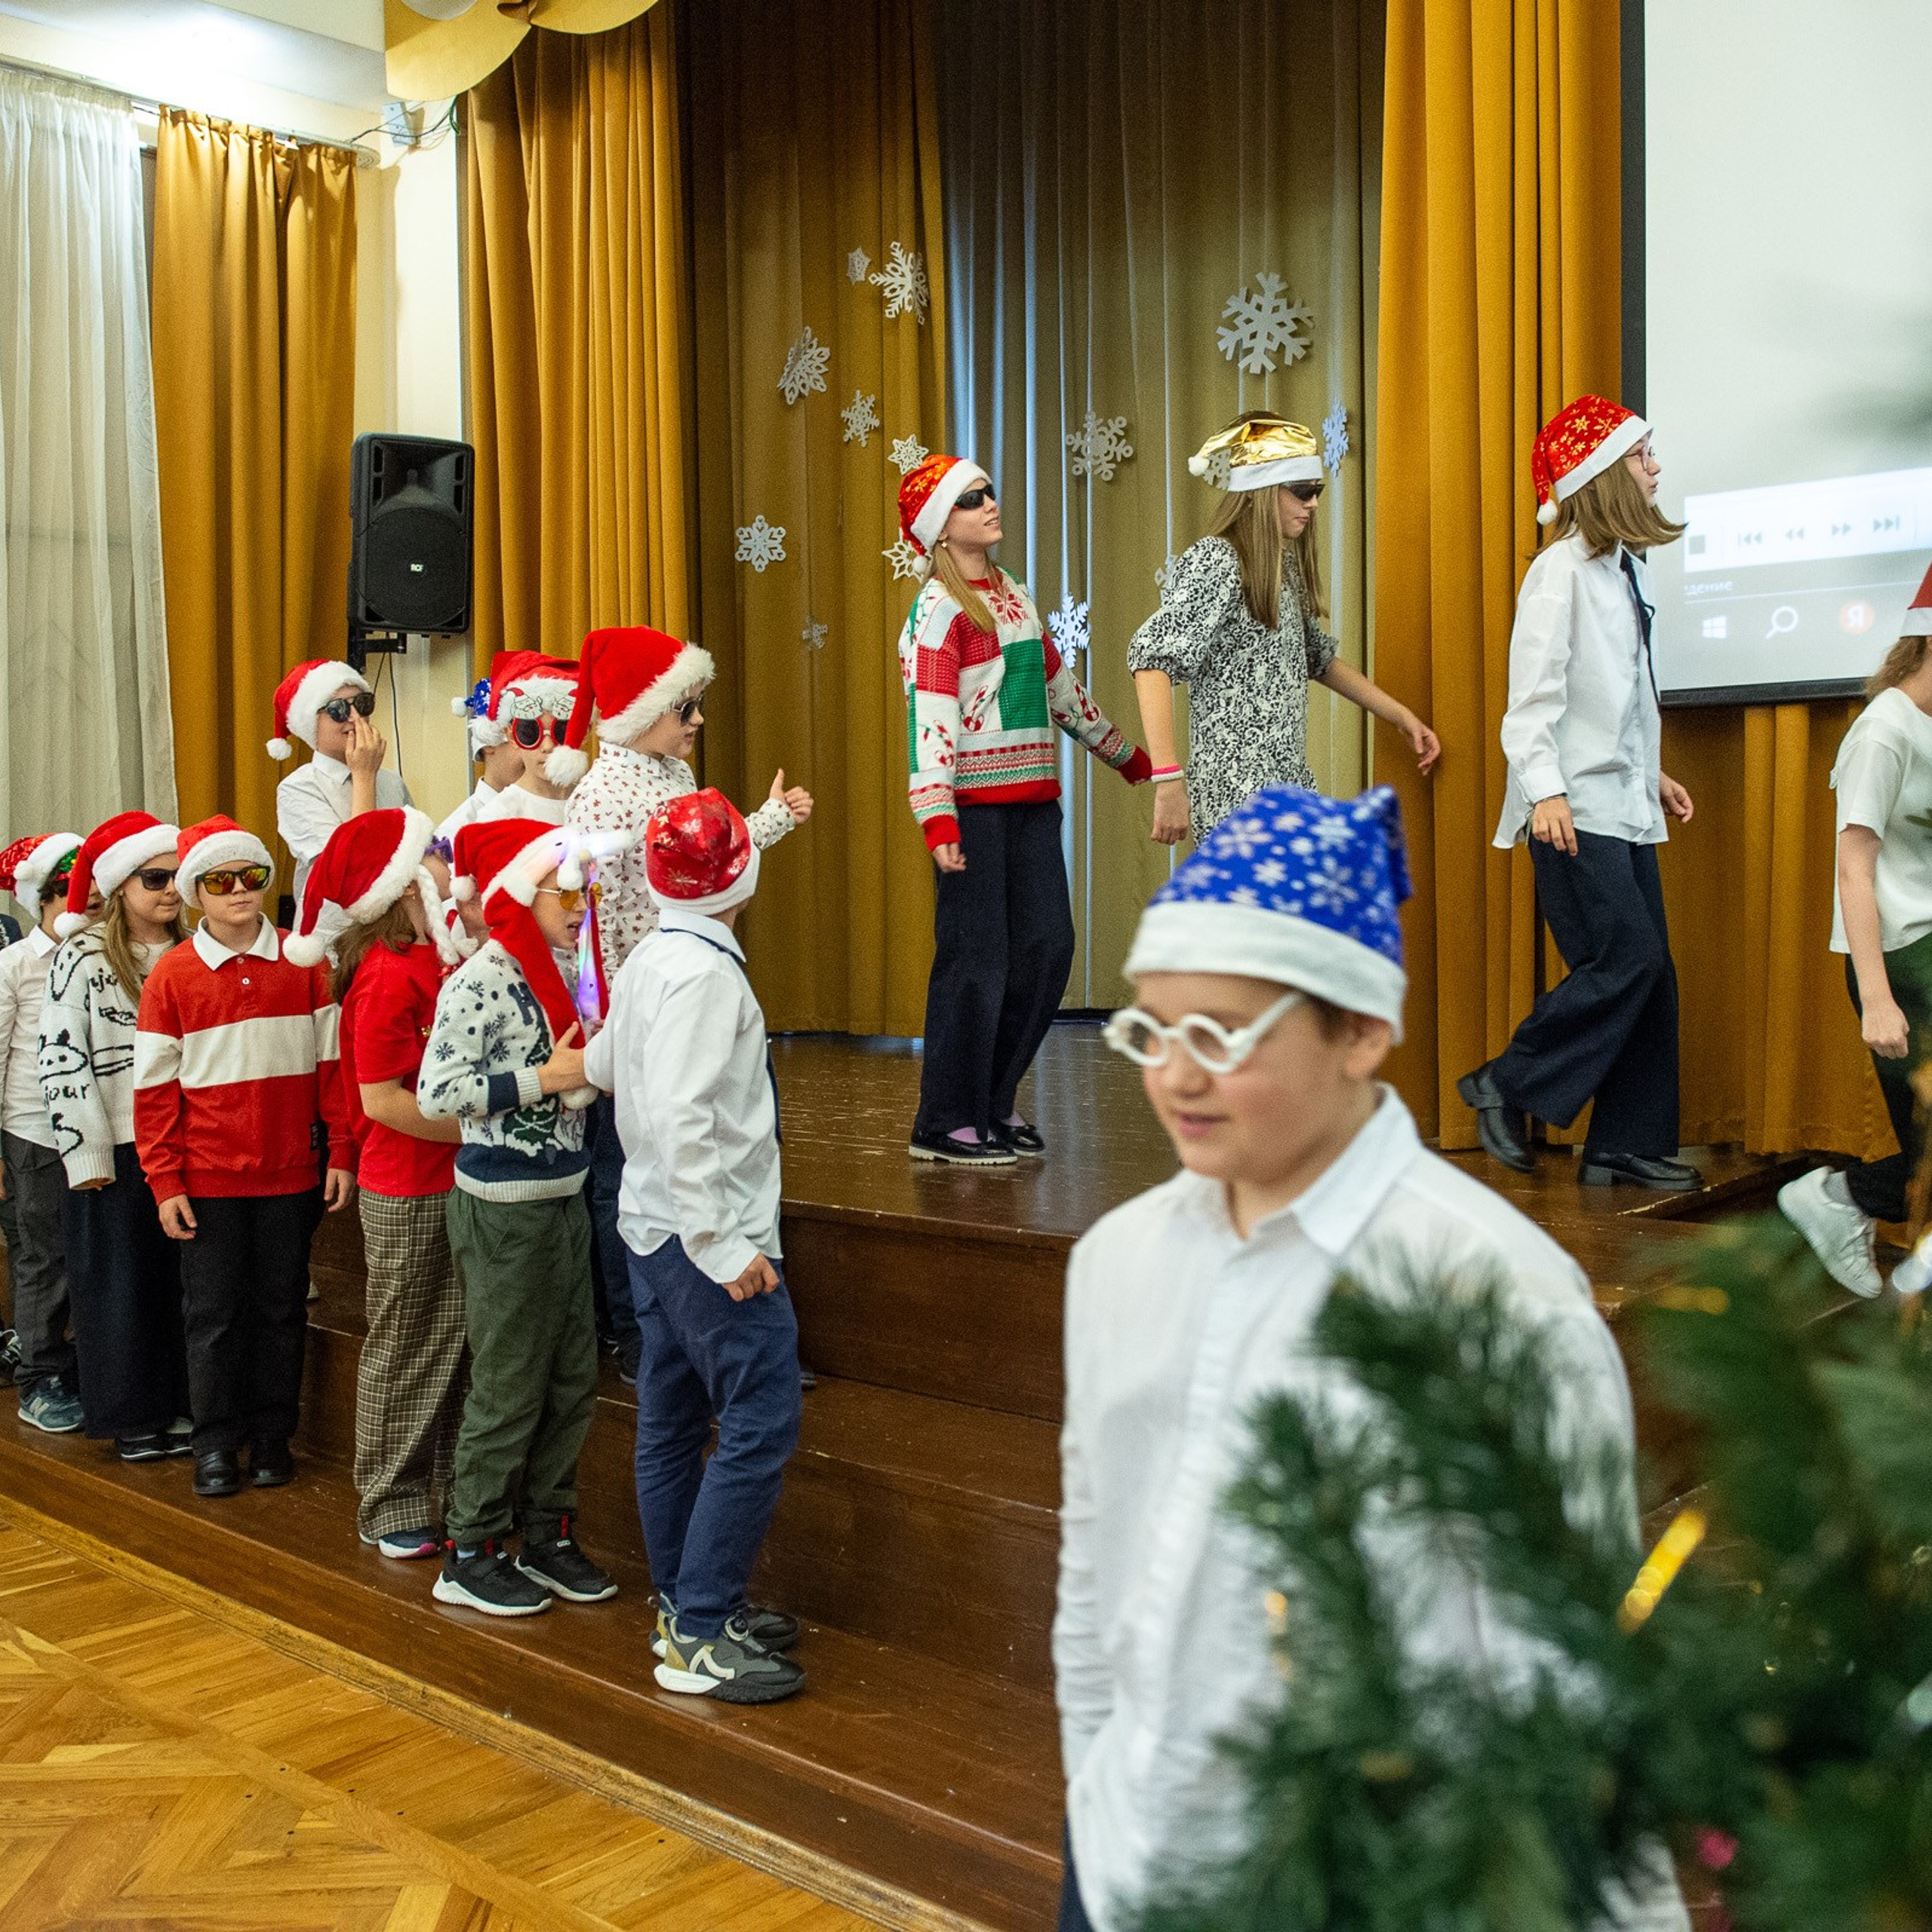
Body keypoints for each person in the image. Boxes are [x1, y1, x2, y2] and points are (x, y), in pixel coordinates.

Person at [1054, 783, 1687, 1932]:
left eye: (1220, 1035)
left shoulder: (1495, 1300)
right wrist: (1096, 1779)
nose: (1175, 1077)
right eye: (1152, 1030)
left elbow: (1570, 1691)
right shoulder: (1114, 1260)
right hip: (1128, 1846)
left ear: (1360, 1030)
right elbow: (1096, 1563)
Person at [586, 789, 804, 1703]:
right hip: (700, 1235)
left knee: (672, 1421)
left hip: (648, 1226)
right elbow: (683, 1118)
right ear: (741, 878)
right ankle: (703, 1632)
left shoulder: (650, 956)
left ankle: (683, 1600)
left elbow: (602, 1068)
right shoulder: (709, 977)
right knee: (762, 1414)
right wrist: (722, 1245)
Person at [552, 623, 811, 1380]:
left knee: (722, 1139)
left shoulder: (669, 777)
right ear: (637, 713)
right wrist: (599, 1017)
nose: (697, 721)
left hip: (686, 986)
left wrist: (768, 822)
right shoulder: (600, 795)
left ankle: (735, 1308)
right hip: (641, 1007)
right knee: (626, 1166)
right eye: (683, 708)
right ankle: (641, 1331)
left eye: (697, 705)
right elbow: (580, 914)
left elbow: (710, 861)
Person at [1458, 395, 1698, 1190]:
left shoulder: (1625, 569)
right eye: (1642, 456)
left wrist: (1648, 772)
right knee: (1624, 957)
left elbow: (1618, 697)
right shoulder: (1556, 573)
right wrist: (1546, 792)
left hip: (1619, 803)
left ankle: (1622, 1144)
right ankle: (1505, 1079)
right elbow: (1530, 703)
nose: (1656, 467)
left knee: (1651, 972)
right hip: (1570, 811)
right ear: (1601, 475)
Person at [895, 452, 1152, 1164]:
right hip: (972, 810)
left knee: (1045, 950)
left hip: (1033, 804)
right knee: (975, 963)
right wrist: (937, 815)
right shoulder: (938, 612)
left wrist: (1123, 753)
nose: (989, 504)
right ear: (940, 528)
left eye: (989, 493)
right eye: (971, 499)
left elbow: (1057, 686)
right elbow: (931, 719)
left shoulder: (1013, 593)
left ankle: (993, 1101)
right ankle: (945, 1120)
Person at [418, 816, 624, 1618]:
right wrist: (545, 1077)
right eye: (565, 891)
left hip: (564, 1197)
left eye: (587, 891)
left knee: (571, 1377)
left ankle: (546, 1531)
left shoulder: (573, 970)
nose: (581, 906)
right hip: (504, 1211)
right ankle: (469, 1548)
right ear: (520, 892)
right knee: (508, 1384)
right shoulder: (482, 978)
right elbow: (439, 1093)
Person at [133, 816, 355, 1499]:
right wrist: (164, 1178)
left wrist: (341, 1152)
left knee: (281, 1309)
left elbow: (333, 1070)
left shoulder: (306, 961)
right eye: (220, 880)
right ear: (197, 891)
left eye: (252, 877)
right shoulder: (171, 977)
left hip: (291, 1173)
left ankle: (272, 1439)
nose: (238, 891)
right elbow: (153, 1091)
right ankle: (215, 1445)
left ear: (268, 881)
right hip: (208, 1180)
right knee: (215, 1317)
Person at [285, 807, 468, 1556]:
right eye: (432, 854)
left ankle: (464, 1495)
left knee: (464, 1348)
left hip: (463, 1181)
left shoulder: (448, 958)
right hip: (411, 1187)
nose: (447, 865)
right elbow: (381, 1099)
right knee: (407, 1346)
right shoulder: (388, 973)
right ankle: (390, 1499)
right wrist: (484, 1130)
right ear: (400, 885)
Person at [1129, 414, 1439, 846]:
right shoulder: (1217, 561)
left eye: (1317, 492)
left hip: (1286, 786)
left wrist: (1399, 715)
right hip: (1235, 796)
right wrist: (1168, 778)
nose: (1313, 503)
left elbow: (1318, 660)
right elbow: (1151, 662)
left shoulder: (1281, 566)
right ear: (1260, 492)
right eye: (1302, 492)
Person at [1778, 562, 1932, 1297]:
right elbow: (1853, 869)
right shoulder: (1884, 732)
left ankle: (1850, 1205)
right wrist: (1875, 997)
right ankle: (1844, 1202)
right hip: (1900, 958)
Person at [38, 811, 191, 1460]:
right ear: (121, 885)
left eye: (179, 877)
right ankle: (130, 1416)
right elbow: (60, 1058)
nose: (170, 890)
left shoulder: (193, 951)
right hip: (114, 1150)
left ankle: (175, 1404)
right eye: (155, 877)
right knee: (117, 1286)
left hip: (182, 1147)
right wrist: (87, 1152)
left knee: (171, 1284)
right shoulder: (83, 956)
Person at [0, 831, 82, 1432]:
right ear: (46, 897)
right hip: (33, 1130)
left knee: (90, 1253)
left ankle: (83, 1362)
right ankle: (40, 1376)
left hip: (98, 1128)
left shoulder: (106, 957)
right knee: (42, 1255)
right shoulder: (15, 964)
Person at [270, 657, 412, 909]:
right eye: (338, 710)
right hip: (335, 936)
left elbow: (416, 855)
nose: (356, 718)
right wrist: (364, 776)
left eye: (362, 704)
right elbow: (352, 870)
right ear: (312, 724)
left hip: (396, 930)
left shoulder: (391, 782)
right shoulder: (299, 788)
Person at [468, 654, 584, 826]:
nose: (548, 746)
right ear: (512, 736)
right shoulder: (499, 815)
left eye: (562, 731)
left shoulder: (594, 801)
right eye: (529, 732)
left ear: (583, 733)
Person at [437, 663, 526, 844]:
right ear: (488, 744)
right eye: (525, 736)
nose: (538, 752)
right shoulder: (457, 833)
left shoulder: (563, 808)